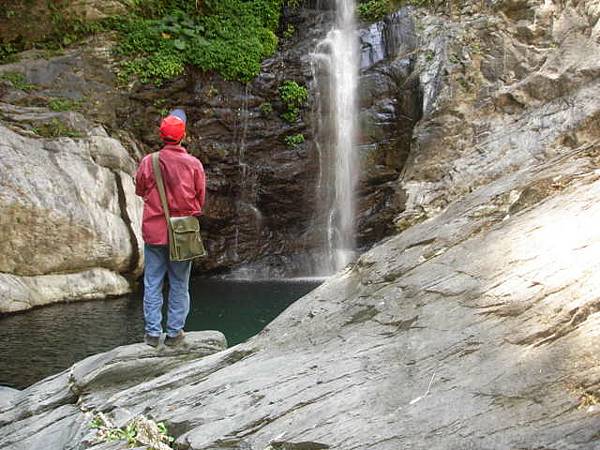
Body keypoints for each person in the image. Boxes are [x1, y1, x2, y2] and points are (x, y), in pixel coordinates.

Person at [135, 109, 206, 347]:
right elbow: (200, 197)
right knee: (179, 283)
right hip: (183, 232)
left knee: (152, 282)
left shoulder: (149, 161)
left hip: (154, 231)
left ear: (160, 135)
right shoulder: (193, 164)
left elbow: (140, 189)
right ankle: (175, 333)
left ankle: (152, 334)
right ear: (183, 135)